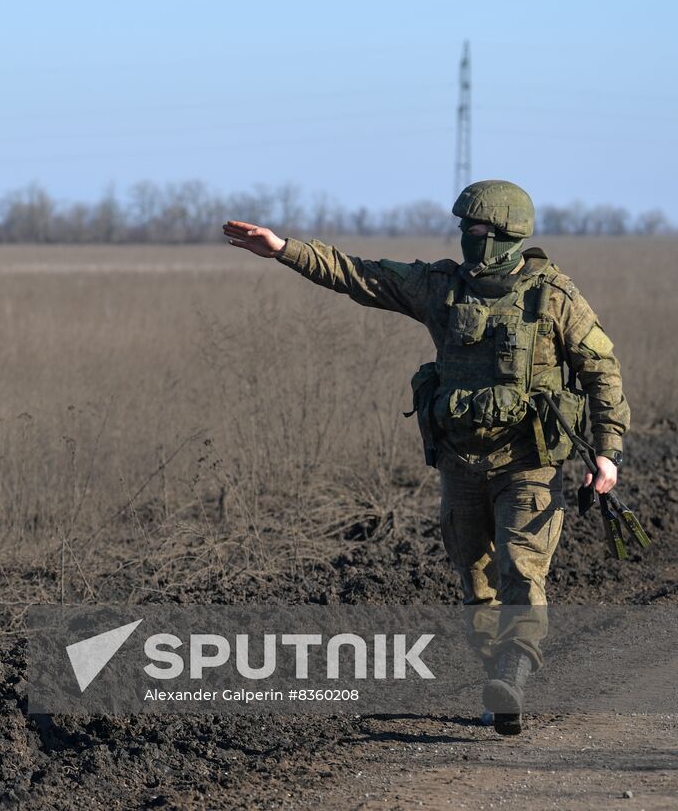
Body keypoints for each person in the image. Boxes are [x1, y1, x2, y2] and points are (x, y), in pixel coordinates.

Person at [223, 180, 629, 736]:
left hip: (528, 464)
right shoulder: (442, 288)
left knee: (521, 570)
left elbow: (602, 373)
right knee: (476, 581)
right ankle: (497, 682)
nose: (467, 237)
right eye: (464, 228)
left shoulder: (554, 297)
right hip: (461, 464)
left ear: (506, 234)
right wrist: (283, 249)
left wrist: (607, 452)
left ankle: (512, 674)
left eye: (477, 229)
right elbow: (360, 275)